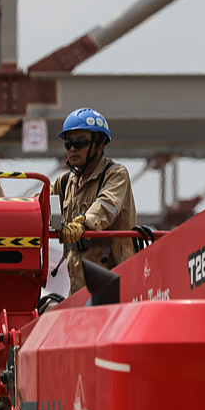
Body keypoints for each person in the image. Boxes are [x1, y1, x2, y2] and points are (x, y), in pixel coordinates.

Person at [53, 107, 137, 295]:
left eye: (80, 142)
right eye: (68, 143)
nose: (73, 148)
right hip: (79, 289)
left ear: (100, 146)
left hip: (114, 283)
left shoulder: (115, 175)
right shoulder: (66, 182)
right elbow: (39, 204)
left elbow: (106, 205)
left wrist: (83, 222)